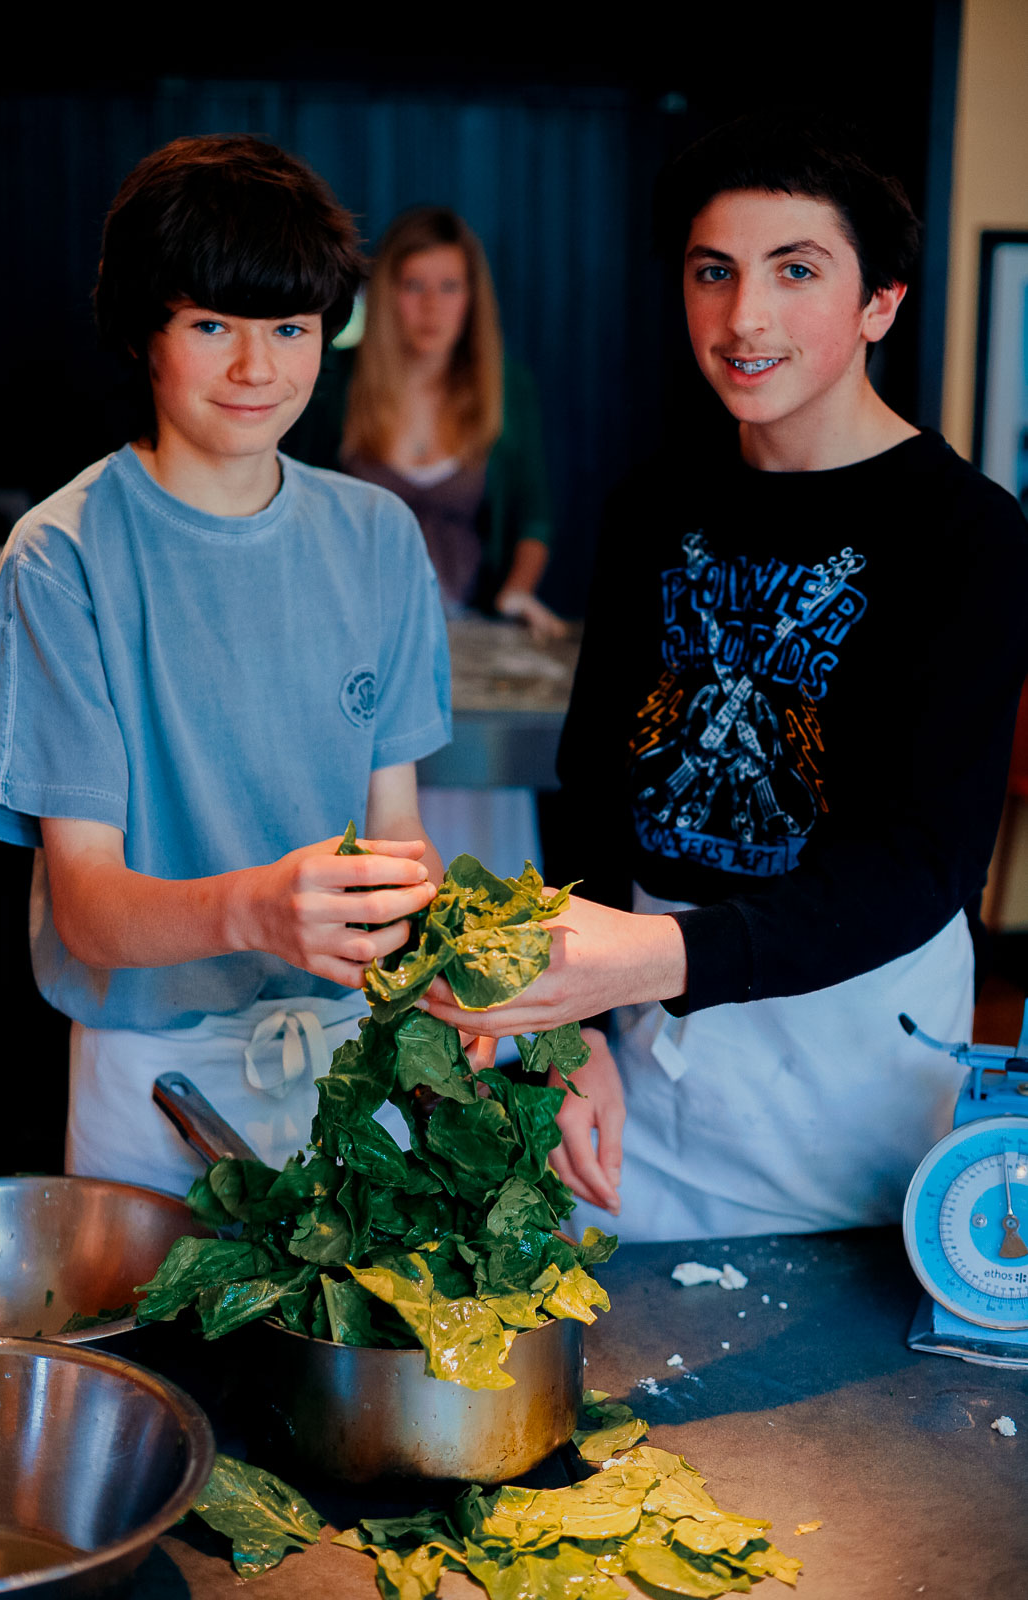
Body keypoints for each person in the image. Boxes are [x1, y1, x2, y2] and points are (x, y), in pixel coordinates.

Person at [421, 114, 1028, 1242]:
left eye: (795, 270)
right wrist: (580, 1034)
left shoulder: (968, 535)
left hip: (847, 1059)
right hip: (642, 1047)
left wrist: (642, 963)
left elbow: (925, 862)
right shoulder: (651, 507)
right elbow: (594, 780)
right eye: (714, 272)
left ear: (879, 301)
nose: (743, 317)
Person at [0, 135, 452, 1195]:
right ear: (146, 334)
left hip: (352, 1056)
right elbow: (88, 905)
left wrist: (446, 983)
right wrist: (256, 908)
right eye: (211, 326)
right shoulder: (67, 552)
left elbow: (397, 834)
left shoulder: (376, 535)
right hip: (152, 1078)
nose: (256, 368)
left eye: (290, 327)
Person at [290, 205, 564, 638]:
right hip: (348, 628)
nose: (432, 306)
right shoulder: (332, 379)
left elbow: (534, 520)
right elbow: (291, 507)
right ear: (384, 293)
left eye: (450, 287)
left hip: (467, 628)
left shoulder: (508, 385)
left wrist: (517, 593)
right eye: (413, 285)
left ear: (472, 297)